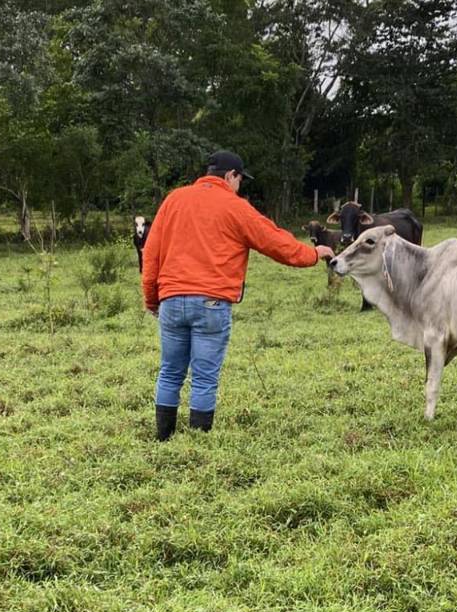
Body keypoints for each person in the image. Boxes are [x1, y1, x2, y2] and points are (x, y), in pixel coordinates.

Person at [140, 150, 334, 439]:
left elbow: (151, 252)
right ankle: (197, 444)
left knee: (170, 371)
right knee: (204, 378)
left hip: (171, 300)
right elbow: (275, 241)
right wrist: (312, 254)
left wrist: (152, 298)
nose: (239, 186)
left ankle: (162, 438)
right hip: (211, 302)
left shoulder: (173, 200)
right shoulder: (235, 206)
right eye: (240, 180)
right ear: (231, 175)